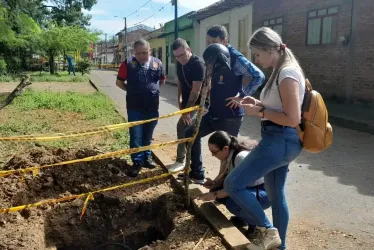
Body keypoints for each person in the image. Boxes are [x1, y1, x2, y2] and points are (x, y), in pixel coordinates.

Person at [224, 27, 305, 250]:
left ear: (270, 49)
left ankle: (268, 230)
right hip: (280, 140)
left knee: (233, 184)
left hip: (280, 140)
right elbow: (280, 107)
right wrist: (258, 104)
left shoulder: (287, 74)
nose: (256, 60)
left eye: (257, 54)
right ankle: (280, 247)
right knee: (276, 196)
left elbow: (292, 118)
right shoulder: (281, 71)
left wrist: (259, 112)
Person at [178, 25, 265, 184]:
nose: (210, 45)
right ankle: (197, 173)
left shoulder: (234, 58)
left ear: (225, 40)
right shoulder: (213, 57)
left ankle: (223, 186)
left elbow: (258, 76)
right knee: (190, 134)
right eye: (208, 42)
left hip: (230, 116)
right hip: (213, 112)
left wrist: (242, 97)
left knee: (226, 153)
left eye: (214, 41)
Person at [196, 131, 271, 241]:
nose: (213, 155)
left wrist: (214, 195)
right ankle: (243, 218)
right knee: (218, 191)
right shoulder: (228, 155)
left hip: (264, 191)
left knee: (232, 203)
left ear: (225, 148)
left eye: (214, 152)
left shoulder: (240, 157)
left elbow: (235, 188)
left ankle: (255, 224)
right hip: (249, 188)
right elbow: (227, 177)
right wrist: (214, 184)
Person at [116, 39, 166, 177]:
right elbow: (119, 82)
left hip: (152, 107)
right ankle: (137, 162)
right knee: (136, 136)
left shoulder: (158, 63)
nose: (142, 56)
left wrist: (151, 92)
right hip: (134, 108)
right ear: (134, 53)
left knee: (148, 135)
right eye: (138, 53)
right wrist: (131, 91)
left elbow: (162, 80)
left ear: (150, 51)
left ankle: (146, 158)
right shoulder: (127, 64)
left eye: (144, 53)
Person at [167, 38, 204, 173]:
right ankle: (188, 162)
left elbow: (196, 91)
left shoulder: (198, 64)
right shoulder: (179, 63)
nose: (180, 59)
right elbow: (180, 84)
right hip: (188, 103)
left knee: (183, 127)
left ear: (188, 50)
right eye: (177, 57)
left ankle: (181, 161)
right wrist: (180, 104)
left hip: (200, 103)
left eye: (182, 55)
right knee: (185, 128)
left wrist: (186, 112)